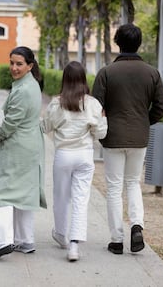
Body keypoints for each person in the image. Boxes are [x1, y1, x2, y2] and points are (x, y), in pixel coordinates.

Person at [92, 23, 163, 255]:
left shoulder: (106, 72)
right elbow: (161, 107)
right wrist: (145, 122)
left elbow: (95, 107)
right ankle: (137, 225)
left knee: (114, 188)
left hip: (113, 137)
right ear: (139, 43)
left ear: (117, 42)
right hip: (139, 137)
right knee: (133, 182)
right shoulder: (152, 72)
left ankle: (116, 240)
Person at [0, 46, 47, 261]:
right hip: (29, 144)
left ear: (30, 65)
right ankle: (25, 239)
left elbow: (11, 123)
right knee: (23, 192)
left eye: (19, 64)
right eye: (12, 62)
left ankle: (2, 240)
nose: (14, 67)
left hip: (18, 146)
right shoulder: (30, 84)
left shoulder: (24, 89)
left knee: (2, 190)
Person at [41, 61, 107, 262]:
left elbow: (45, 127)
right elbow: (101, 133)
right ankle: (74, 245)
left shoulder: (56, 102)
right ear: (83, 79)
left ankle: (61, 234)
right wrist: (99, 122)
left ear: (65, 79)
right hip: (85, 154)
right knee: (80, 198)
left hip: (63, 154)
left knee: (61, 196)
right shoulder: (93, 104)